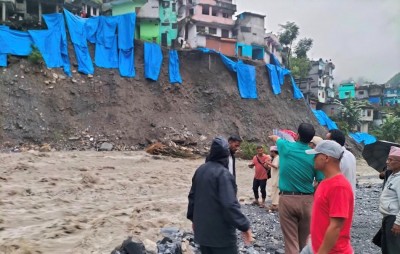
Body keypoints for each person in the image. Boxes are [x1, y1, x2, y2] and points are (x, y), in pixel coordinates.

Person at [187, 137, 252, 254]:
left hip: (202, 233)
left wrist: (193, 220)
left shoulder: (200, 170)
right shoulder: (223, 174)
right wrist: (244, 226)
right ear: (226, 155)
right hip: (221, 236)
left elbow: (192, 198)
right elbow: (229, 204)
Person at [269, 123, 324, 254]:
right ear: (311, 139)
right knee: (305, 241)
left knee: (290, 240)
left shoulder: (286, 147)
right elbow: (321, 180)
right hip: (307, 201)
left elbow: (275, 138)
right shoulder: (314, 155)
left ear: (298, 135)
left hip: (287, 199)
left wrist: (273, 135)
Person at [301, 140, 354, 254]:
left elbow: (336, 226)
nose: (313, 159)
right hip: (315, 246)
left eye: (316, 155)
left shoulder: (339, 186)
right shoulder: (325, 181)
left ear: (326, 158)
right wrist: (313, 236)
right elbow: (322, 214)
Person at [379, 146, 400, 253]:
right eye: (388, 159)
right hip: (387, 217)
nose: (387, 162)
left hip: (393, 218)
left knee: (393, 249)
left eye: (391, 160)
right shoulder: (392, 175)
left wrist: (398, 223)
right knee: (386, 247)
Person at [265, 146, 280, 212]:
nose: (270, 153)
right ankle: (275, 205)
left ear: (273, 152)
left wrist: (268, 163)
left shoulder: (278, 158)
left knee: (276, 191)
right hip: (274, 177)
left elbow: (276, 166)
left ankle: (275, 206)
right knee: (274, 191)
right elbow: (271, 167)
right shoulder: (274, 158)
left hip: (277, 177)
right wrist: (267, 163)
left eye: (271, 151)